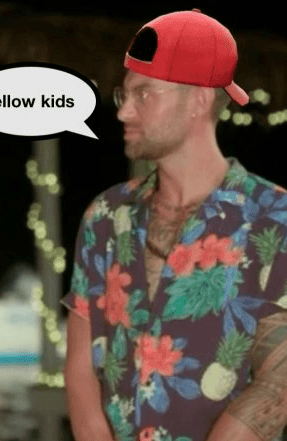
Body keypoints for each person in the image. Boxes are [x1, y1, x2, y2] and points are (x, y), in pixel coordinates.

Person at [63, 9, 287, 441]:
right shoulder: (106, 215)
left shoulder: (274, 217)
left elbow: (278, 382)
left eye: (144, 94)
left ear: (198, 100)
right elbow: (80, 369)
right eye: (123, 94)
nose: (124, 111)